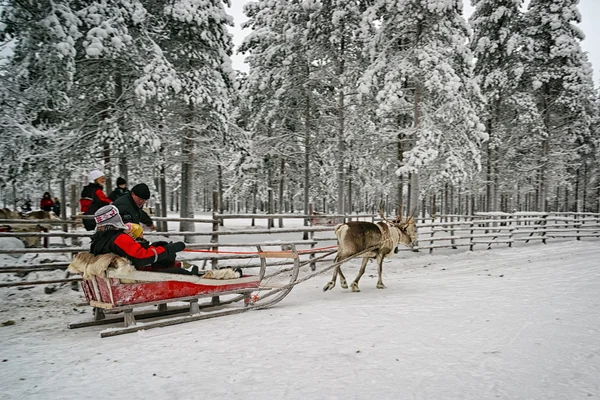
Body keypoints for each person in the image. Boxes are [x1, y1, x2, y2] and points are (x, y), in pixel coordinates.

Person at [90, 205, 192, 275]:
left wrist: (151, 246)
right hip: (133, 277)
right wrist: (170, 249)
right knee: (184, 272)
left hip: (119, 276)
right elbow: (141, 257)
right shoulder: (118, 238)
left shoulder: (98, 241)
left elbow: (131, 252)